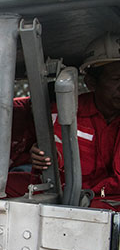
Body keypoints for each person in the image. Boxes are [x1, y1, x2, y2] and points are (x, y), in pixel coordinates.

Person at [32, 32, 120, 210]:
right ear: (91, 83)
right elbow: (54, 161)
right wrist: (44, 157)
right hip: (69, 207)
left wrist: (90, 196)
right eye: (118, 79)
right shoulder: (65, 114)